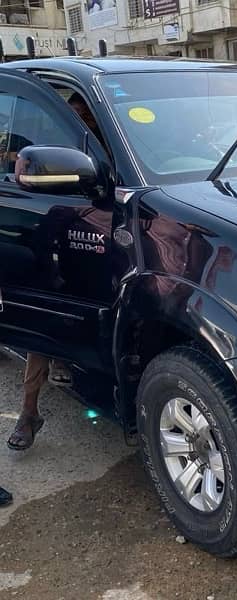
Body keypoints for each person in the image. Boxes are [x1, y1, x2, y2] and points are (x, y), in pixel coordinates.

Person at [7, 92, 103, 451]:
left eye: (88, 119)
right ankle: (29, 412)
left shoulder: (108, 147)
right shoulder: (46, 148)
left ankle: (65, 355)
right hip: (57, 246)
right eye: (77, 117)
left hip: (98, 244)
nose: (83, 125)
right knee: (40, 324)